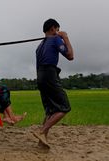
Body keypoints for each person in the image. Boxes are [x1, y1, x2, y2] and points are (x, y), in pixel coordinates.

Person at [33, 19, 74, 148]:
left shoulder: (39, 46)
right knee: (64, 107)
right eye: (57, 29)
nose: (58, 32)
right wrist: (65, 37)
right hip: (49, 74)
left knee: (50, 111)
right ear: (52, 29)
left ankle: (42, 143)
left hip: (40, 76)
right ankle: (42, 132)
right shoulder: (56, 39)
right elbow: (70, 56)